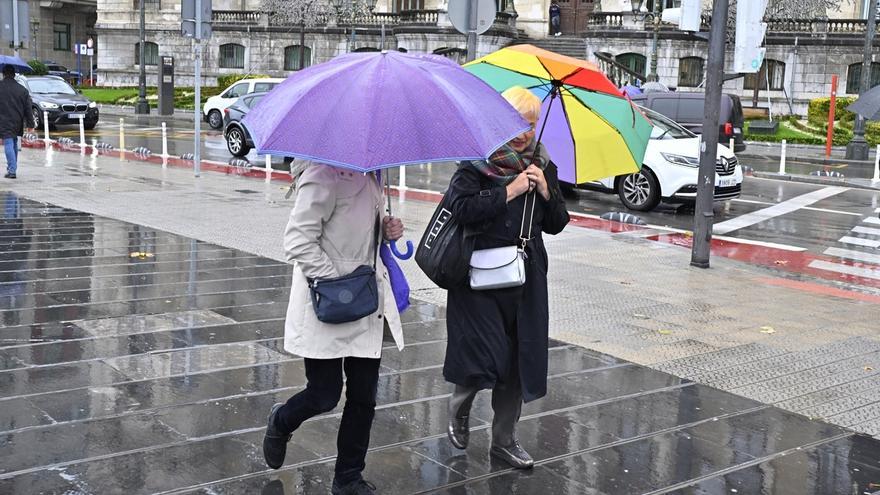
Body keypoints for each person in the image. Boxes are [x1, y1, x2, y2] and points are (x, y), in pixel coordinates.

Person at [442, 86, 570, 468]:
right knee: (483, 355)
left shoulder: (543, 165)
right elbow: (461, 209)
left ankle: (505, 439)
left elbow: (559, 223)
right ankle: (459, 410)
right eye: (517, 122)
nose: (525, 132)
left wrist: (547, 191)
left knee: (517, 359)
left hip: (526, 277)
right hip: (479, 277)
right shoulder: (476, 163)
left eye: (530, 124)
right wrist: (510, 191)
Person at [263, 163, 406, 495]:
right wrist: (336, 283)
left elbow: (356, 234)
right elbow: (297, 241)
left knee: (363, 397)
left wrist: (386, 230)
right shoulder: (322, 174)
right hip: (328, 302)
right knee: (324, 394)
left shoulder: (373, 175)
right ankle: (282, 420)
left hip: (366, 303)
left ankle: (348, 478)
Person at [0, 65, 35, 179]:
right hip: (18, 121)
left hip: (4, 120)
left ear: (3, 74)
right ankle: (12, 168)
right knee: (14, 142)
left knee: (9, 143)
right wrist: (31, 125)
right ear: (14, 75)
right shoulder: (23, 90)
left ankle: (12, 170)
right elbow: (28, 109)